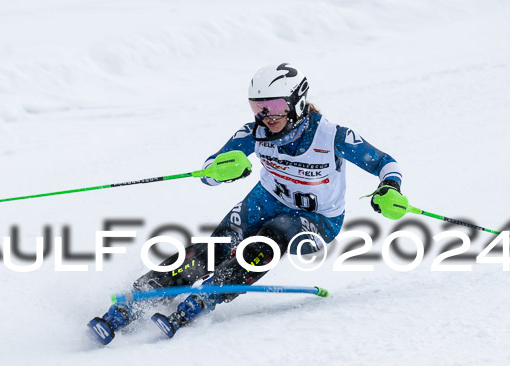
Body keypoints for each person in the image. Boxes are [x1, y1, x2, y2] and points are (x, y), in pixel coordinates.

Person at [88, 63, 404, 344]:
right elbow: (208, 174)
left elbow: (385, 163)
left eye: (276, 106)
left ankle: (209, 295)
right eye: (258, 107)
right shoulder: (254, 132)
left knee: (270, 236)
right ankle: (139, 296)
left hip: (318, 220)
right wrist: (222, 170)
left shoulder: (331, 135)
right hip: (264, 201)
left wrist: (389, 188)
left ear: (297, 102)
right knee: (214, 248)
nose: (267, 116)